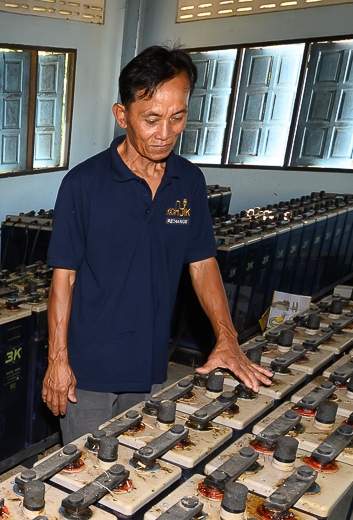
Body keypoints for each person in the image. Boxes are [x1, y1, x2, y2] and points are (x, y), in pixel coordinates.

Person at [42, 45, 271, 444]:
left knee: (130, 469)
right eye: (151, 119)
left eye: (177, 117)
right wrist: (57, 359)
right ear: (122, 115)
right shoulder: (84, 184)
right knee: (83, 473)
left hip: (148, 360)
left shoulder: (189, 182)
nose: (165, 133)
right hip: (88, 368)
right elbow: (65, 278)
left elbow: (203, 263)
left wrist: (227, 337)